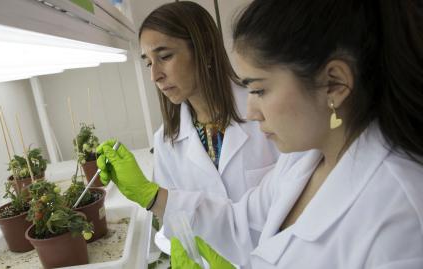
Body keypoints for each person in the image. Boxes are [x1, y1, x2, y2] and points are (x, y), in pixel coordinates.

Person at [97, 0, 423, 268]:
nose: (251, 112)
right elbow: (242, 222)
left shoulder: (400, 215)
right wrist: (154, 198)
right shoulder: (302, 162)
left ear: (334, 84)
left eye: (261, 90)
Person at [133, 1, 278, 257]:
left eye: (165, 56)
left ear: (206, 50)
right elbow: (175, 227)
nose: (155, 75)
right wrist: (185, 252)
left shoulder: (266, 111)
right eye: (148, 62)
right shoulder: (167, 142)